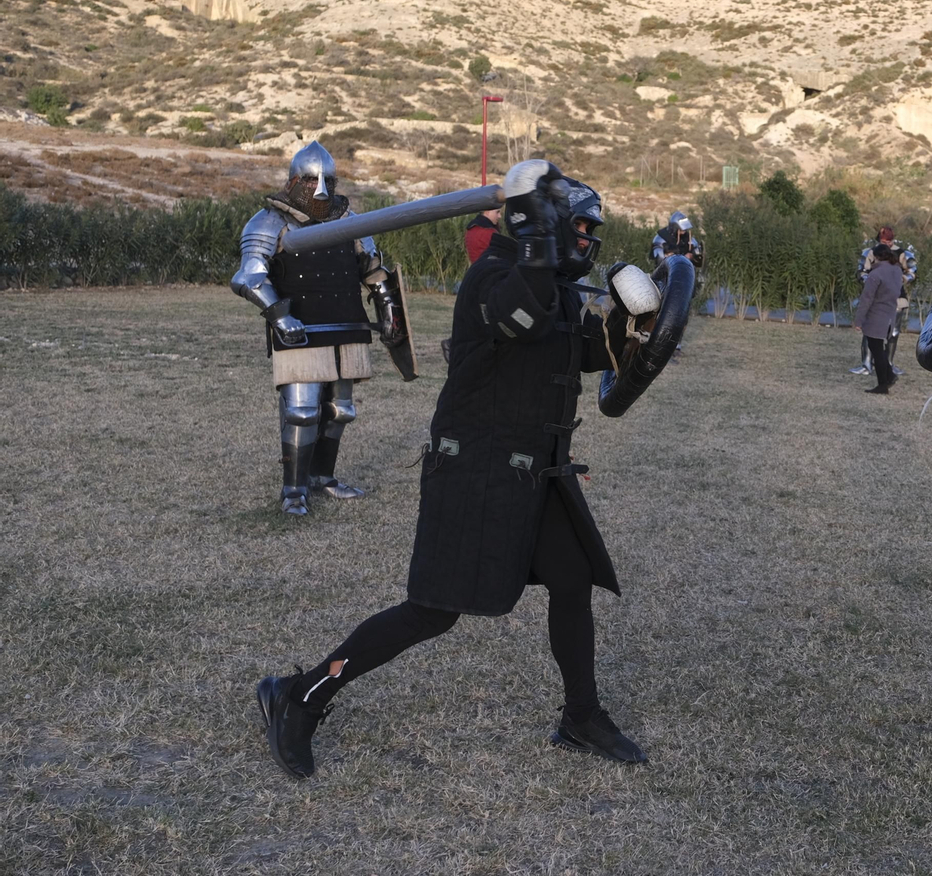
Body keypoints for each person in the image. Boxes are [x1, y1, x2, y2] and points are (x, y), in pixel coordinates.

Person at [255, 158, 661, 778]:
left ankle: (581, 715)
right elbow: (519, 321)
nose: (583, 242)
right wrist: (530, 238)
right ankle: (300, 695)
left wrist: (634, 327)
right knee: (433, 610)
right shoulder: (496, 277)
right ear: (541, 229)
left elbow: (583, 352)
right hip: (478, 466)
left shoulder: (548, 283)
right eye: (575, 229)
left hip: (537, 466)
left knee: (572, 579)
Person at [231, 141, 406, 516]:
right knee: (303, 412)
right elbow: (249, 276)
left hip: (346, 324)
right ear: (294, 180)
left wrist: (390, 315)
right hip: (301, 327)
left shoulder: (350, 221)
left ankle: (322, 477)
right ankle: (294, 489)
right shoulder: (269, 221)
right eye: (311, 181)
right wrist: (280, 316)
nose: (320, 190)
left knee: (340, 410)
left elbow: (375, 272)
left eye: (326, 180)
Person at [848, 226, 916, 376]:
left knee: (893, 333)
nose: (887, 244)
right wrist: (873, 281)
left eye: (889, 241)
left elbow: (911, 272)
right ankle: (866, 364)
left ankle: (889, 364)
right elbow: (861, 271)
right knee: (870, 330)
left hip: (897, 298)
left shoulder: (902, 253)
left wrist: (898, 280)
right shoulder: (871, 252)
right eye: (884, 241)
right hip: (876, 296)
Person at [852, 243, 903, 395]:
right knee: (880, 349)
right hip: (890, 315)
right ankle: (889, 376)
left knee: (876, 350)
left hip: (876, 316)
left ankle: (883, 384)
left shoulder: (876, 275)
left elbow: (866, 299)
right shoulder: (897, 270)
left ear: (876, 256)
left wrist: (859, 321)